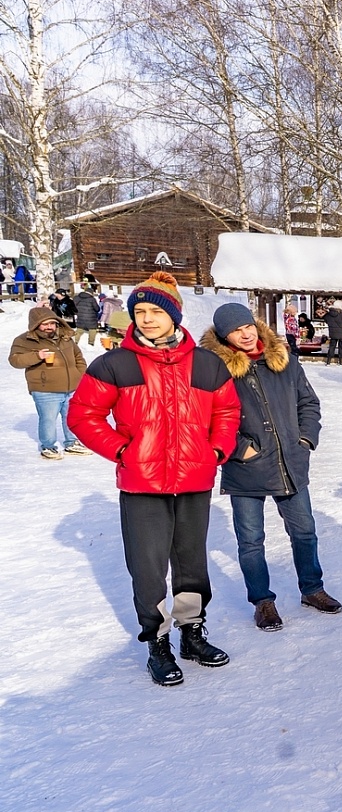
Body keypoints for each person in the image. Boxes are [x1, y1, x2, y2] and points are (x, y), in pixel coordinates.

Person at [66, 272, 240, 686]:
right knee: (147, 569)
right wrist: (122, 450)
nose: (146, 319)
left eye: (155, 311)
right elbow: (82, 415)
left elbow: (227, 412)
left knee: (192, 564)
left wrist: (216, 451)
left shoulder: (205, 363)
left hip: (195, 479)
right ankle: (157, 644)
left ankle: (192, 634)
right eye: (139, 311)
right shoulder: (115, 363)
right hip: (142, 485)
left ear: (174, 315)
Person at [200, 303, 342, 630]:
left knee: (304, 532)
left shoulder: (285, 361)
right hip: (245, 470)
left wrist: (305, 440)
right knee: (251, 541)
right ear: (224, 337)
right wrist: (241, 450)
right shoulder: (215, 371)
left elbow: (309, 403)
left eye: (248, 326)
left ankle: (313, 589)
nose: (246, 334)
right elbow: (207, 419)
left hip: (290, 463)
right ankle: (262, 602)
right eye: (236, 331)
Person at [9, 306, 89, 459]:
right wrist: (37, 356)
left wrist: (79, 374)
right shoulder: (24, 340)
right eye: (45, 324)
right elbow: (15, 360)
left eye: (52, 323)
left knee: (71, 417)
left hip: (72, 387)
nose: (49, 327)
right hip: (46, 389)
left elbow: (78, 356)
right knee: (48, 419)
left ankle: (72, 443)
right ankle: (48, 446)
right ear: (35, 324)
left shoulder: (65, 337)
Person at [322, 300, 342, 364]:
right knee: (341, 347)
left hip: (332, 333)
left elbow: (325, 319)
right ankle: (341, 360)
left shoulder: (328, 315)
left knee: (332, 346)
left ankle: (329, 360)